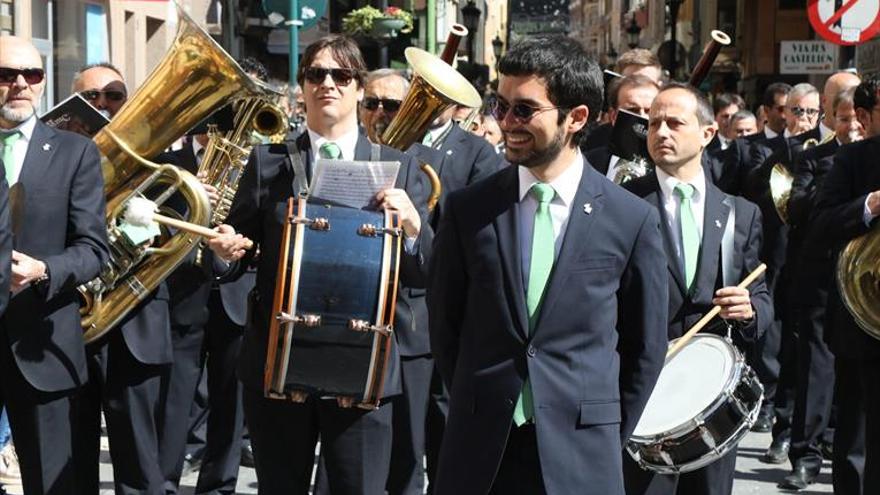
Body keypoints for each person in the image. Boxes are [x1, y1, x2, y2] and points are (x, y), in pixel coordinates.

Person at [427, 35, 668, 495]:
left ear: (576, 117)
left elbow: (645, 348)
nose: (506, 123)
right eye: (500, 106)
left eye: (524, 110)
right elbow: (446, 329)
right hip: (479, 453)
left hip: (581, 455)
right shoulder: (468, 210)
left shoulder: (630, 219)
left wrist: (599, 429)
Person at [207, 34, 431, 494]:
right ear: (303, 85)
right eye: (315, 74)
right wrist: (224, 251)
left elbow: (424, 273)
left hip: (363, 363)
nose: (327, 83)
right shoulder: (267, 161)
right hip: (281, 359)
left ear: (358, 87)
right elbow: (240, 245)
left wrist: (412, 228)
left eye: (340, 74)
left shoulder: (398, 165)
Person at [622, 83, 772, 495]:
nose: (661, 133)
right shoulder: (622, 204)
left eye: (674, 123)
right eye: (653, 124)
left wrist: (750, 309)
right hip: (644, 392)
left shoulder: (741, 213)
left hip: (710, 392)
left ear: (708, 134)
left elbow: (761, 295)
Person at [0, 36, 109, 494]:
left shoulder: (75, 152)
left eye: (33, 75)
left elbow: (93, 249)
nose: (20, 85)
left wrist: (44, 269)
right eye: (7, 75)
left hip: (41, 345)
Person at [70, 62, 183, 495]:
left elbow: (179, 238)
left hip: (136, 324)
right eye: (90, 98)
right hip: (71, 324)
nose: (103, 105)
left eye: (114, 96)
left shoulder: (159, 164)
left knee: (140, 465)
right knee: (72, 459)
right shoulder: (52, 160)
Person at [158, 57, 266, 495]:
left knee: (230, 406)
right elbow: (149, 224)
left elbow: (267, 231)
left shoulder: (263, 162)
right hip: (180, 295)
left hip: (236, 296)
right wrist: (189, 191)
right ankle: (160, 483)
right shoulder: (169, 161)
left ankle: (218, 487)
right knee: (172, 403)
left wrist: (243, 246)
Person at [779, 86, 864, 491]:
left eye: (857, 118)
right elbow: (796, 210)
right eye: (843, 118)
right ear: (830, 119)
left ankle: (839, 445)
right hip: (822, 279)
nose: (851, 126)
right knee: (816, 367)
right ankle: (805, 455)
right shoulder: (812, 157)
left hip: (867, 283)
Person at [813, 76, 880, 495]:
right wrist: (870, 205)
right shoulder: (853, 160)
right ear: (865, 115)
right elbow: (820, 224)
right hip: (865, 322)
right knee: (858, 437)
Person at [583, 74, 659, 180]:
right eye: (633, 110)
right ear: (613, 116)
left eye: (649, 111)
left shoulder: (669, 168)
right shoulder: (586, 164)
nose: (643, 117)